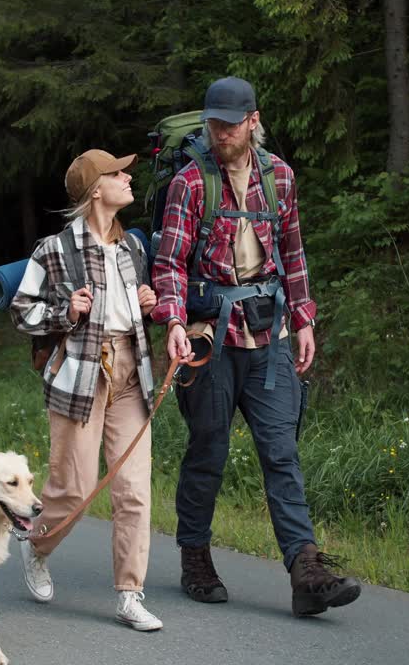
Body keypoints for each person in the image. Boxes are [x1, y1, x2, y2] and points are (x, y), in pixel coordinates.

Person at [150, 76, 361, 617]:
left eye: (229, 122)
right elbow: (169, 263)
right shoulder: (191, 184)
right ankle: (195, 556)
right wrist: (172, 321)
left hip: (270, 340)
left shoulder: (281, 179)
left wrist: (305, 319)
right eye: (213, 122)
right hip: (209, 339)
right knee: (208, 452)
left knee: (282, 454)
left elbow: (293, 253)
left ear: (252, 121)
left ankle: (306, 571)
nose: (219, 131)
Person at [8, 149, 163, 631]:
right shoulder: (54, 250)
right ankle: (37, 546)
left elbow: (133, 313)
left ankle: (130, 593)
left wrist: (147, 301)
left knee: (134, 491)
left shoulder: (132, 249)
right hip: (80, 377)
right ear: (97, 188)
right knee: (72, 488)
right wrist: (64, 312)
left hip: (130, 375)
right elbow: (21, 311)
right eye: (119, 173)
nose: (128, 177)